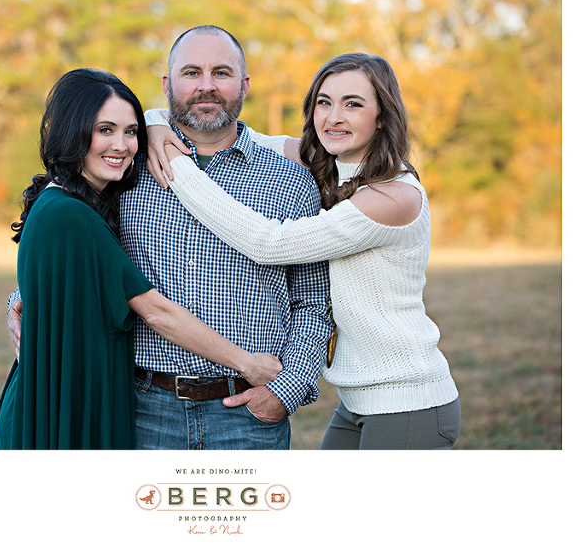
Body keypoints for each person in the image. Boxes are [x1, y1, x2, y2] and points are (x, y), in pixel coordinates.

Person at [149, 53, 461, 449]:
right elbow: (239, 135)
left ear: (382, 116)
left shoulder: (392, 196)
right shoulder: (331, 163)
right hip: (358, 402)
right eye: (324, 102)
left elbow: (267, 244)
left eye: (354, 104)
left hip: (409, 399)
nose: (334, 117)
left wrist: (177, 166)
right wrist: (155, 123)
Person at [0, 68, 281, 450]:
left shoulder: (65, 200)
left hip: (65, 391)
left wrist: (157, 127)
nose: (122, 145)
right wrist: (247, 363)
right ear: (73, 131)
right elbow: (156, 311)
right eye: (104, 130)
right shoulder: (71, 214)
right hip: (63, 404)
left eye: (131, 132)